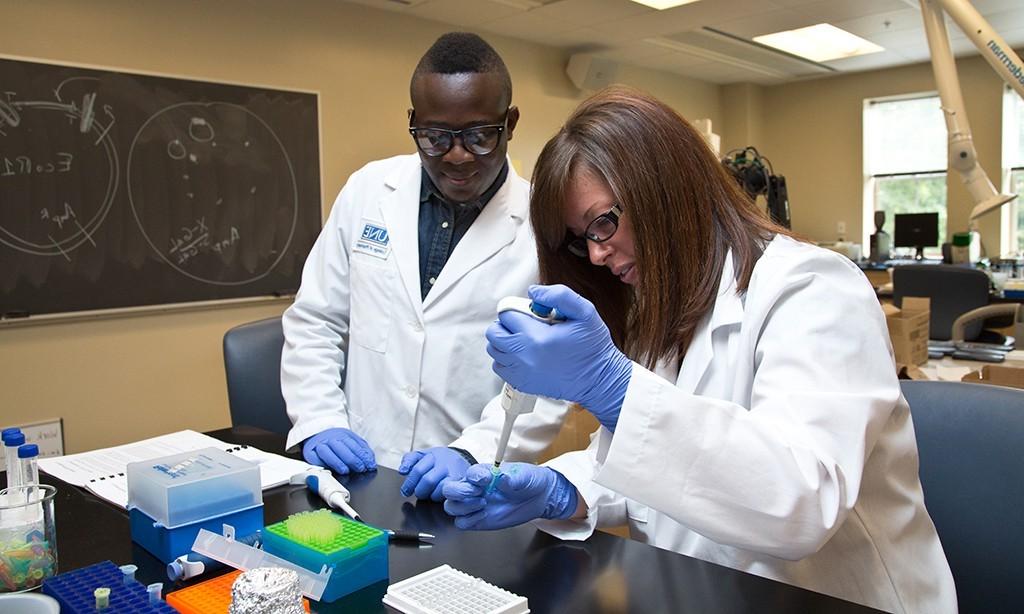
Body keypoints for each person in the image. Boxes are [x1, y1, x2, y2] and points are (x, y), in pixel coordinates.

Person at [442, 86, 956, 613]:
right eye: (580, 239)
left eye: (604, 222)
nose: (596, 254)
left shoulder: (813, 289)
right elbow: (657, 468)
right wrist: (560, 489)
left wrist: (613, 388)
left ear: (666, 188)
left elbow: (802, 503)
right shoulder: (664, 305)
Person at [281, 32, 564, 497]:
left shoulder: (543, 229)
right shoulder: (368, 190)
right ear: (413, 122)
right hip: (358, 473)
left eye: (478, 136)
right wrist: (319, 421)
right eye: (435, 136)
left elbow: (549, 380)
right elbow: (316, 320)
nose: (457, 156)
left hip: (472, 486)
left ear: (510, 123)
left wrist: (471, 451)